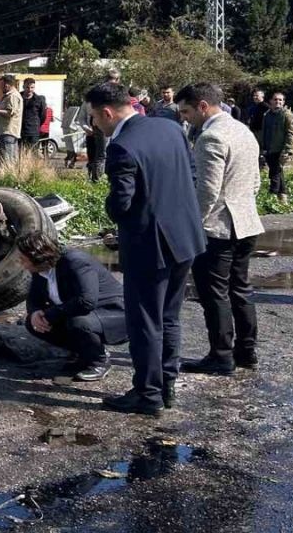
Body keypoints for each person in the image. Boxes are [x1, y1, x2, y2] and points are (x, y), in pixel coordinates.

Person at [87, 82, 205, 415]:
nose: (95, 124)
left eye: (95, 117)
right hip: (185, 239)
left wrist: (112, 210)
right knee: (169, 317)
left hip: (149, 246)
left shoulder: (122, 146)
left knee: (144, 321)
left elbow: (121, 205)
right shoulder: (170, 128)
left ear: (107, 112)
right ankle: (167, 385)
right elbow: (192, 176)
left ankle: (147, 394)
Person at [176, 83, 263, 375]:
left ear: (203, 106)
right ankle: (246, 351)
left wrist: (192, 225)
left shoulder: (210, 137)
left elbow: (207, 191)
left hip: (219, 228)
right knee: (240, 288)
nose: (185, 118)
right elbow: (255, 182)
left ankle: (221, 356)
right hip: (247, 222)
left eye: (187, 111)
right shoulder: (243, 130)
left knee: (214, 294)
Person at [19, 231, 127, 382]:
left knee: (78, 322)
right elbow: (33, 297)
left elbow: (86, 301)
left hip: (114, 312)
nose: (21, 264)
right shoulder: (40, 269)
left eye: (23, 260)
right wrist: (35, 312)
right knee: (32, 323)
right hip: (84, 312)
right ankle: (83, 353)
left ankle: (99, 361)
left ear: (38, 256)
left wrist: (50, 314)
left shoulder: (75, 262)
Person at [261, 92, 293, 205]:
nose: (278, 102)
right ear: (271, 101)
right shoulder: (267, 115)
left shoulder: (287, 115)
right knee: (277, 172)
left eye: (280, 100)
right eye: (275, 99)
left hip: (281, 149)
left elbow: (291, 134)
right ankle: (283, 197)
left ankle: (272, 196)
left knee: (275, 173)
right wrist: (263, 147)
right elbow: (264, 132)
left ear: (283, 102)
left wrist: (287, 150)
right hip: (269, 149)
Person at [0, 74, 22, 163]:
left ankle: (9, 176)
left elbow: (9, 113)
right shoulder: (8, 95)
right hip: (5, 132)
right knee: (4, 158)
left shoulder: (13, 96)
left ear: (7, 85)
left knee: (8, 159)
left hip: (9, 132)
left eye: (1, 85)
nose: (0, 87)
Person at [20, 78, 47, 151]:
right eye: (27, 87)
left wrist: (36, 124)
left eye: (32, 87)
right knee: (20, 155)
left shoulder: (39, 100)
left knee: (33, 155)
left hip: (33, 131)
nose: (29, 89)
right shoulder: (18, 98)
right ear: (23, 87)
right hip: (20, 131)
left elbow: (43, 116)